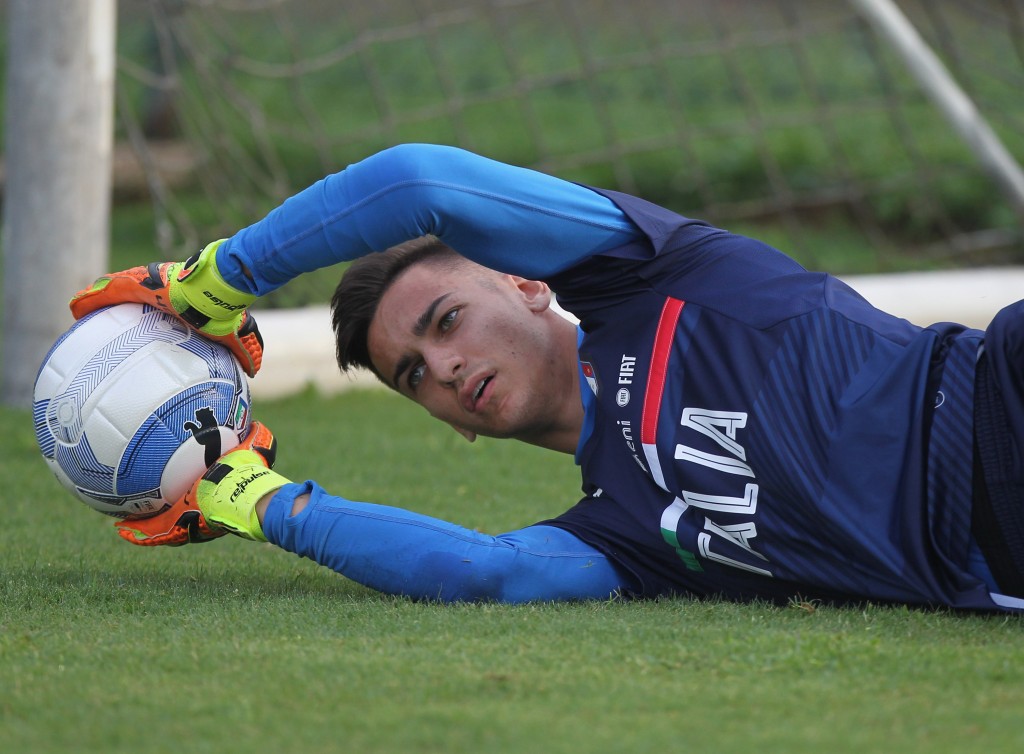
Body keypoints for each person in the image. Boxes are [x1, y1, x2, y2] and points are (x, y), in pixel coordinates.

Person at [69, 143, 1024, 611]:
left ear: (528, 285)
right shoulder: (628, 534)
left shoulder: (653, 275)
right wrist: (250, 499)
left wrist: (220, 280)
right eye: (415, 374)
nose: (446, 366)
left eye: (447, 321)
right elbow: (482, 569)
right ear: (451, 425)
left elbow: (415, 183)